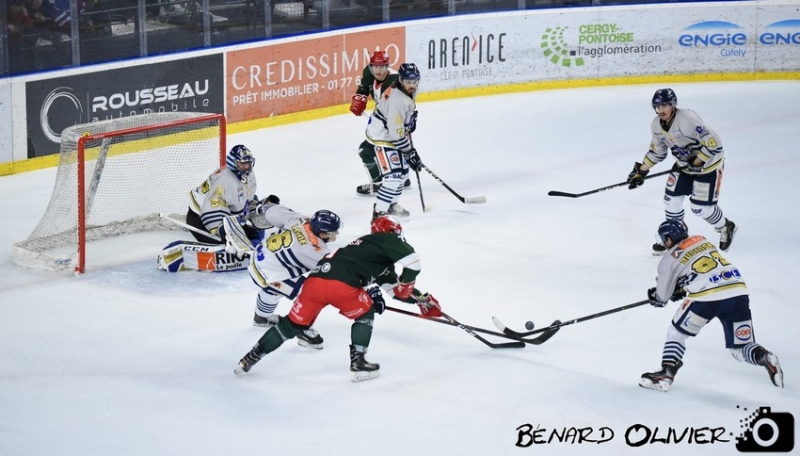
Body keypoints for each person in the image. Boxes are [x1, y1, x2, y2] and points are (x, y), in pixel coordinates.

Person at [233, 215, 440, 382]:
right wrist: (407, 286)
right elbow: (413, 263)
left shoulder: (366, 251)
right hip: (342, 286)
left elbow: (394, 291)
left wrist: (420, 299)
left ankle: (249, 359)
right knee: (365, 314)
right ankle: (358, 362)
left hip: (313, 284)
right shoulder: (386, 239)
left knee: (289, 325)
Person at [639, 219, 783, 392]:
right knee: (739, 348)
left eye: (664, 239)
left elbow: (662, 296)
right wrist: (683, 286)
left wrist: (658, 295)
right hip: (737, 291)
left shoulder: (668, 260)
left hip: (707, 297)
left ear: (669, 239)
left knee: (676, 332)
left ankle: (666, 373)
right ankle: (764, 357)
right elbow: (698, 267)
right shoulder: (701, 239)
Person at [626, 88, 737, 255]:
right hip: (684, 166)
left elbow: (715, 144)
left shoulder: (688, 120)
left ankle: (725, 227)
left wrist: (698, 160)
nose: (661, 110)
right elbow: (658, 151)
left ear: (673, 105)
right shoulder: (656, 125)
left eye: (665, 105)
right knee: (671, 200)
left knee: (701, 209)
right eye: (658, 106)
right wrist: (641, 171)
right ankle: (675, 237)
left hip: (709, 167)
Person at [222, 203, 342, 349]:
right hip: (269, 274)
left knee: (275, 290)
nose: (336, 234)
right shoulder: (317, 252)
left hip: (258, 257)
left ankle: (261, 318)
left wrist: (260, 208)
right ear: (323, 234)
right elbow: (337, 274)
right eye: (333, 232)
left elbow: (271, 210)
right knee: (312, 294)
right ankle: (301, 328)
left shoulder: (299, 220)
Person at [156, 144, 271, 272]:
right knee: (225, 245)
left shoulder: (248, 175)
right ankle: (177, 256)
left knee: (255, 234)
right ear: (233, 163)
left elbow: (246, 197)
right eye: (242, 164)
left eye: (248, 164)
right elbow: (211, 209)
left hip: (226, 216)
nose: (246, 168)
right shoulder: (224, 180)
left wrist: (253, 209)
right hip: (199, 218)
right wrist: (226, 233)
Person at [362, 62, 423, 221]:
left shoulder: (407, 91)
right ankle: (379, 214)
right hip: (382, 137)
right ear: (401, 80)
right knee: (393, 177)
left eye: (414, 81)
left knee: (403, 176)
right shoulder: (396, 99)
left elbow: (401, 124)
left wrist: (409, 122)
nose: (412, 85)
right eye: (408, 82)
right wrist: (410, 152)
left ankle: (391, 205)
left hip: (393, 133)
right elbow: (395, 135)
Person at [350, 50, 410, 197]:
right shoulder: (369, 72)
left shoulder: (395, 82)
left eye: (382, 67)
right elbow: (363, 88)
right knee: (368, 150)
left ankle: (383, 183)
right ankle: (402, 177)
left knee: (369, 150)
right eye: (375, 67)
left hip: (395, 122)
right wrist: (360, 98)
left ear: (387, 66)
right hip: (382, 119)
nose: (378, 70)